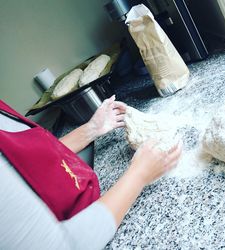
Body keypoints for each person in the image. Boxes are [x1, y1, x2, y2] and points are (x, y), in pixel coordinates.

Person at [0, 96, 182, 250]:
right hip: (97, 233)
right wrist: (139, 175)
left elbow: (32, 162)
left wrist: (92, 129)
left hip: (97, 208)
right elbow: (61, 245)